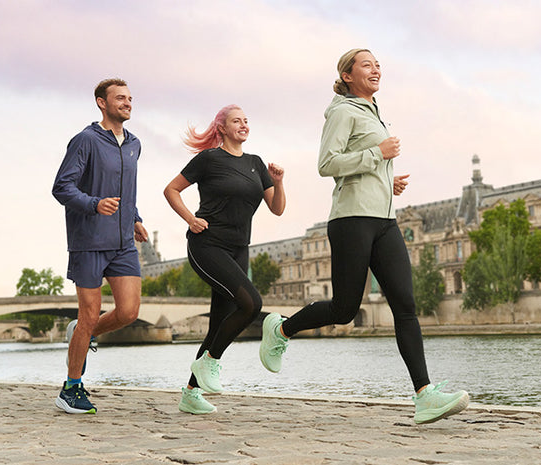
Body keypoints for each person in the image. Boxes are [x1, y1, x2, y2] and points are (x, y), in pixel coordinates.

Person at [259, 49, 470, 424]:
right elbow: (327, 163)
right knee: (344, 309)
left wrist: (389, 181)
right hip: (351, 219)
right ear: (347, 74)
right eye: (367, 64)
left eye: (379, 65)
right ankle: (281, 328)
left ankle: (424, 395)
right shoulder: (342, 111)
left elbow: (363, 166)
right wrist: (378, 153)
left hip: (385, 219)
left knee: (405, 304)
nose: (376, 69)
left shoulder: (374, 112)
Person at [164, 105, 285, 414]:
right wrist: (191, 219)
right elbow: (172, 190)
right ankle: (210, 362)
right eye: (236, 121)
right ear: (222, 128)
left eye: (246, 120)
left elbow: (277, 209)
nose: (243, 124)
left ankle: (191, 393)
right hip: (208, 245)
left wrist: (278, 181)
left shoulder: (256, 164)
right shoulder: (208, 160)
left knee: (218, 323)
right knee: (251, 304)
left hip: (239, 248)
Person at [52, 78, 149, 414]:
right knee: (90, 314)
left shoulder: (135, 143)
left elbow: (127, 189)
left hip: (123, 242)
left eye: (130, 98)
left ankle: (84, 332)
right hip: (89, 241)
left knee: (129, 312)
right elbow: (62, 187)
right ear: (101, 102)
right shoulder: (86, 140)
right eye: (120, 98)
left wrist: (134, 217)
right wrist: (95, 204)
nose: (127, 103)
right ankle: (71, 387)